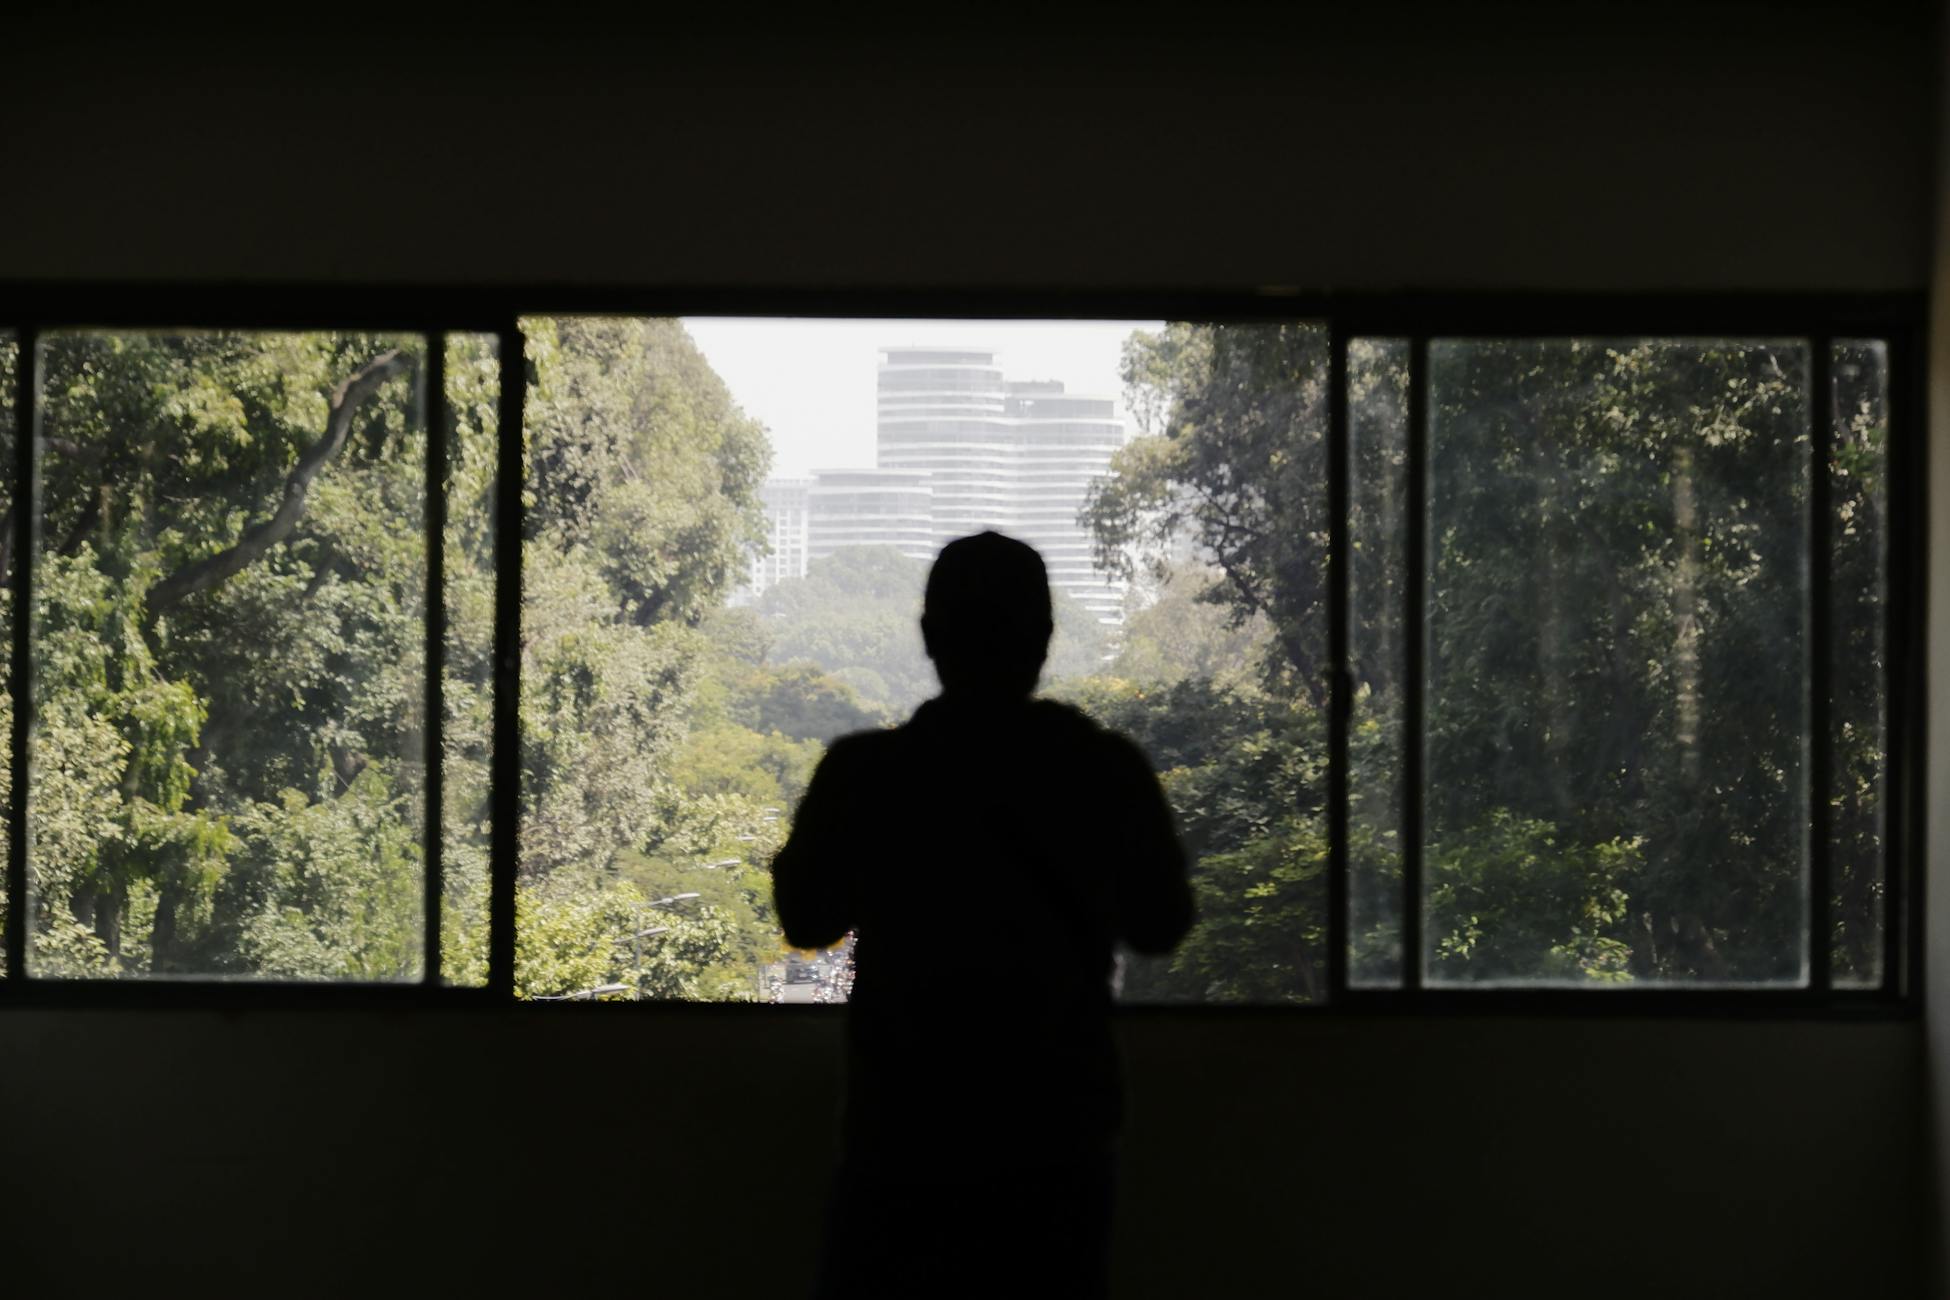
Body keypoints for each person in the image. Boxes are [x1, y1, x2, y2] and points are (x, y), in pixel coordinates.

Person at [772, 531, 1193, 1299]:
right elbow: (1161, 924)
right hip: (1057, 1130)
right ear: (1044, 638)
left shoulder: (866, 775)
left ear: (931, 636)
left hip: (902, 1130)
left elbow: (805, 920)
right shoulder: (1105, 771)